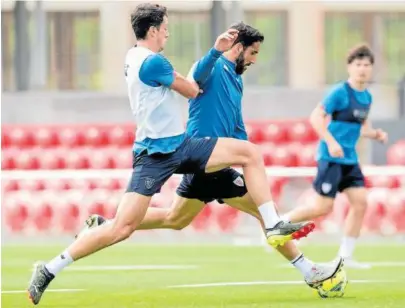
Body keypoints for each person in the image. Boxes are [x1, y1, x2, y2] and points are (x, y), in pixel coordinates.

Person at [27, 4, 313, 305]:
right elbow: (191, 90)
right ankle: (48, 268)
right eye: (164, 28)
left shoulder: (132, 57)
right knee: (122, 228)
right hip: (156, 154)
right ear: (152, 31)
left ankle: (273, 225)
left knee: (248, 155)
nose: (167, 33)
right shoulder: (155, 63)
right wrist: (214, 54)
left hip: (177, 146)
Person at [77, 21, 343, 289]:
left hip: (213, 162)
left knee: (176, 218)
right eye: (252, 53)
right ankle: (310, 271)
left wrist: (244, 156)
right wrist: (215, 51)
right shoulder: (212, 66)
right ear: (238, 48)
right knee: (268, 213)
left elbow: (237, 127)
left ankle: (105, 225)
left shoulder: (235, 79)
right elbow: (196, 76)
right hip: (203, 156)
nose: (253, 60)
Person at [281, 44, 388, 269]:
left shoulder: (367, 97)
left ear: (371, 69)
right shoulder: (340, 92)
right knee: (322, 207)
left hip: (350, 160)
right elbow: (316, 117)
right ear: (349, 67)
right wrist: (331, 143)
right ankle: (279, 225)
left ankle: (345, 257)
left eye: (367, 65)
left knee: (360, 203)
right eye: (358, 64)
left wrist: (376, 134)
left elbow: (361, 127)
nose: (362, 69)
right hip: (330, 159)